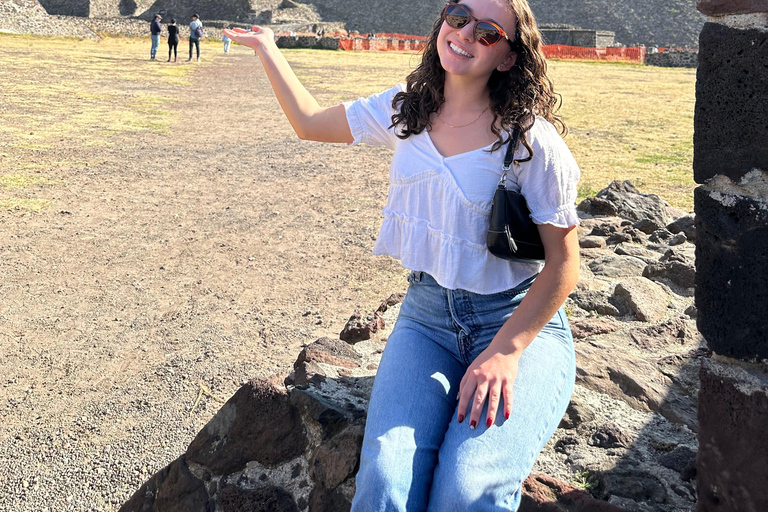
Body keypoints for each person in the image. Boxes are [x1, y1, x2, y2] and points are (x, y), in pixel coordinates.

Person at [223, 0, 580, 509]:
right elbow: (308, 122)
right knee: (385, 481)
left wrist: (505, 351)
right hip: (427, 320)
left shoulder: (529, 141)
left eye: (486, 32)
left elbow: (565, 266)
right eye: (458, 16)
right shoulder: (407, 109)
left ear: (506, 56)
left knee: (467, 488)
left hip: (516, 321)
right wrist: (268, 48)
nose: (464, 34)